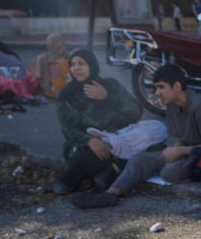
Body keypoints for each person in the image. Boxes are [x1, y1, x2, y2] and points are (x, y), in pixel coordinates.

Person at [69, 64, 201, 209]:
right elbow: (182, 137)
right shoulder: (172, 105)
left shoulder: (199, 106)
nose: (157, 93)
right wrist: (176, 148)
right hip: (187, 153)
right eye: (156, 88)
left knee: (170, 172)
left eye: (161, 87)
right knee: (139, 159)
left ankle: (150, 171)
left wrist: (180, 150)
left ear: (176, 86)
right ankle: (110, 195)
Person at [52, 48, 148, 194]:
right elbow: (68, 130)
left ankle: (110, 170)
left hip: (123, 138)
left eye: (81, 63)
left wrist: (107, 97)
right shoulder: (68, 95)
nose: (76, 68)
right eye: (72, 64)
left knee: (155, 135)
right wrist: (89, 140)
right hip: (89, 146)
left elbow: (136, 113)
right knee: (87, 154)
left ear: (92, 65)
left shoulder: (111, 85)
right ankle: (69, 181)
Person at [28, 32, 70, 99]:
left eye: (48, 42)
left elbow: (37, 77)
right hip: (68, 92)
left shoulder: (42, 58)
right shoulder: (70, 57)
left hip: (50, 92)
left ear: (51, 44)